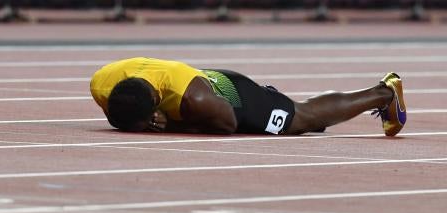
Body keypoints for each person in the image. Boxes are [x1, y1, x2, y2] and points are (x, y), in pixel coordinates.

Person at [89, 57, 406, 136]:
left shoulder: (194, 99)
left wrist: (167, 127)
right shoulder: (102, 84)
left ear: (156, 107)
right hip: (197, 79)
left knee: (303, 116)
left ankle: (382, 93)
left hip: (232, 98)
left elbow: (227, 123)